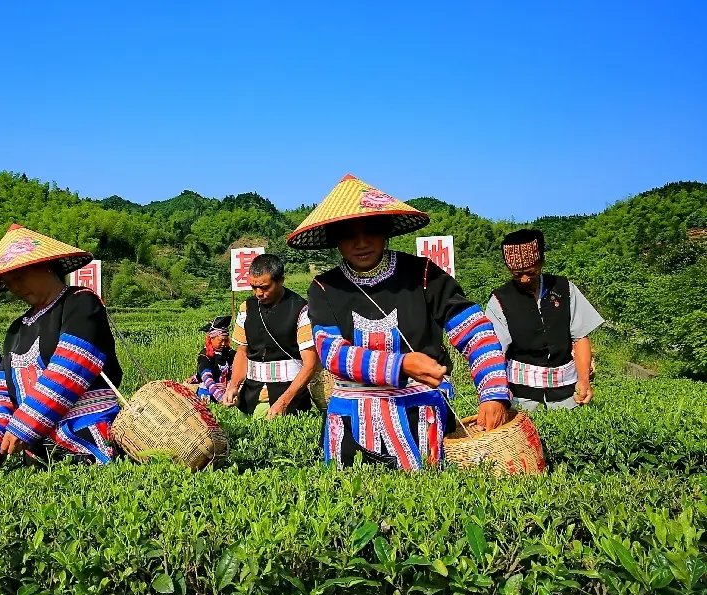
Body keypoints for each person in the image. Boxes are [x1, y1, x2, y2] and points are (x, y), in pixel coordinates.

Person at [287, 174, 511, 470]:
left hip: (421, 413)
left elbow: (475, 331)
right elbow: (332, 353)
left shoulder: (423, 274)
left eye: (372, 230)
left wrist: (493, 392)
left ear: (387, 231)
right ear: (335, 239)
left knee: (429, 503)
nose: (361, 242)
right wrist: (402, 365)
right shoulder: (324, 288)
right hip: (349, 422)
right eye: (348, 234)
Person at [0, 224, 123, 473]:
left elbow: (71, 367)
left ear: (45, 265)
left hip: (86, 439)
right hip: (38, 451)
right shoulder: (17, 328)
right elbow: (2, 388)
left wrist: (23, 426)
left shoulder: (81, 303)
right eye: (7, 281)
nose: (14, 287)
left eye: (19, 276)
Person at [486, 229, 605, 411]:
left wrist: (584, 380)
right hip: (520, 399)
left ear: (541, 262)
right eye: (517, 274)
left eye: (530, 272)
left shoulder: (565, 289)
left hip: (567, 394)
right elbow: (494, 353)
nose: (524, 279)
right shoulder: (500, 300)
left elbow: (580, 337)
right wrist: (496, 395)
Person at [223, 254, 318, 419]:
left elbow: (310, 364)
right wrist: (233, 386)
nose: (259, 293)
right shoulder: (247, 308)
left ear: (281, 280)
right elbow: (242, 353)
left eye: (265, 287)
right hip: (250, 394)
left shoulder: (301, 310)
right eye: (254, 287)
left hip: (288, 396)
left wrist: (283, 402)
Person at [194, 316, 235, 403]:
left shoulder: (228, 352)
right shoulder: (204, 355)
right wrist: (221, 398)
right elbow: (207, 379)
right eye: (221, 341)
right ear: (211, 338)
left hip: (226, 392)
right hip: (209, 394)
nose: (224, 344)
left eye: (226, 340)